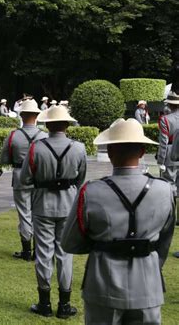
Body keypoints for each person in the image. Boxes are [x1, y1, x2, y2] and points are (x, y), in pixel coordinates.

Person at [62, 118, 176, 325]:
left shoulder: (91, 191)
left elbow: (70, 242)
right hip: (147, 283)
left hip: (102, 281)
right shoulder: (165, 190)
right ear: (142, 152)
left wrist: (100, 243)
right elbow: (165, 240)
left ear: (110, 151)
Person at [20, 105, 87, 319]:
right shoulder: (79, 148)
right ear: (67, 124)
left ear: (47, 124)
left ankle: (44, 303)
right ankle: (65, 305)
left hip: (42, 206)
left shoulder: (36, 148)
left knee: (43, 253)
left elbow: (24, 179)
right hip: (68, 205)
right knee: (64, 254)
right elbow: (80, 178)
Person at [0, 99, 48, 260]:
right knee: (38, 214)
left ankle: (26, 250)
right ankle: (37, 250)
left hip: (20, 175)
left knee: (24, 214)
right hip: (39, 177)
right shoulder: (44, 136)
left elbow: (4, 158)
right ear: (36, 115)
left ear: (22, 115)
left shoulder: (14, 135)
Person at [158, 92, 179, 190]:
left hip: (171, 153)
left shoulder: (165, 119)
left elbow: (163, 142)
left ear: (170, 104)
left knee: (169, 185)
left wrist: (161, 160)